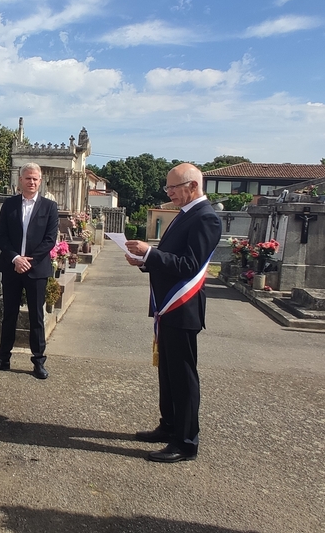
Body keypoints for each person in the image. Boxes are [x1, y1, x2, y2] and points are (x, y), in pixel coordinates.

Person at [124, 163, 222, 463]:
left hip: (183, 307)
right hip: (168, 307)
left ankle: (186, 441)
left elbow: (189, 265)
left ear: (193, 186)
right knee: (167, 373)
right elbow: (171, 257)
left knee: (183, 376)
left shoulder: (206, 218)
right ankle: (169, 426)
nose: (169, 193)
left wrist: (149, 253)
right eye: (168, 188)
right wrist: (145, 261)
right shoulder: (185, 214)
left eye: (173, 188)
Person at [0, 163, 59, 379]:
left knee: (36, 316)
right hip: (12, 266)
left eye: (35, 179)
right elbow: (2, 236)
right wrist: (16, 258)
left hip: (37, 269)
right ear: (20, 180)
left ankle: (38, 361)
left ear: (40, 181)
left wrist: (29, 261)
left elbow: (49, 240)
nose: (31, 182)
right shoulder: (9, 205)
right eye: (28, 178)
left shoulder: (49, 207)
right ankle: (3, 358)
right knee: (9, 314)